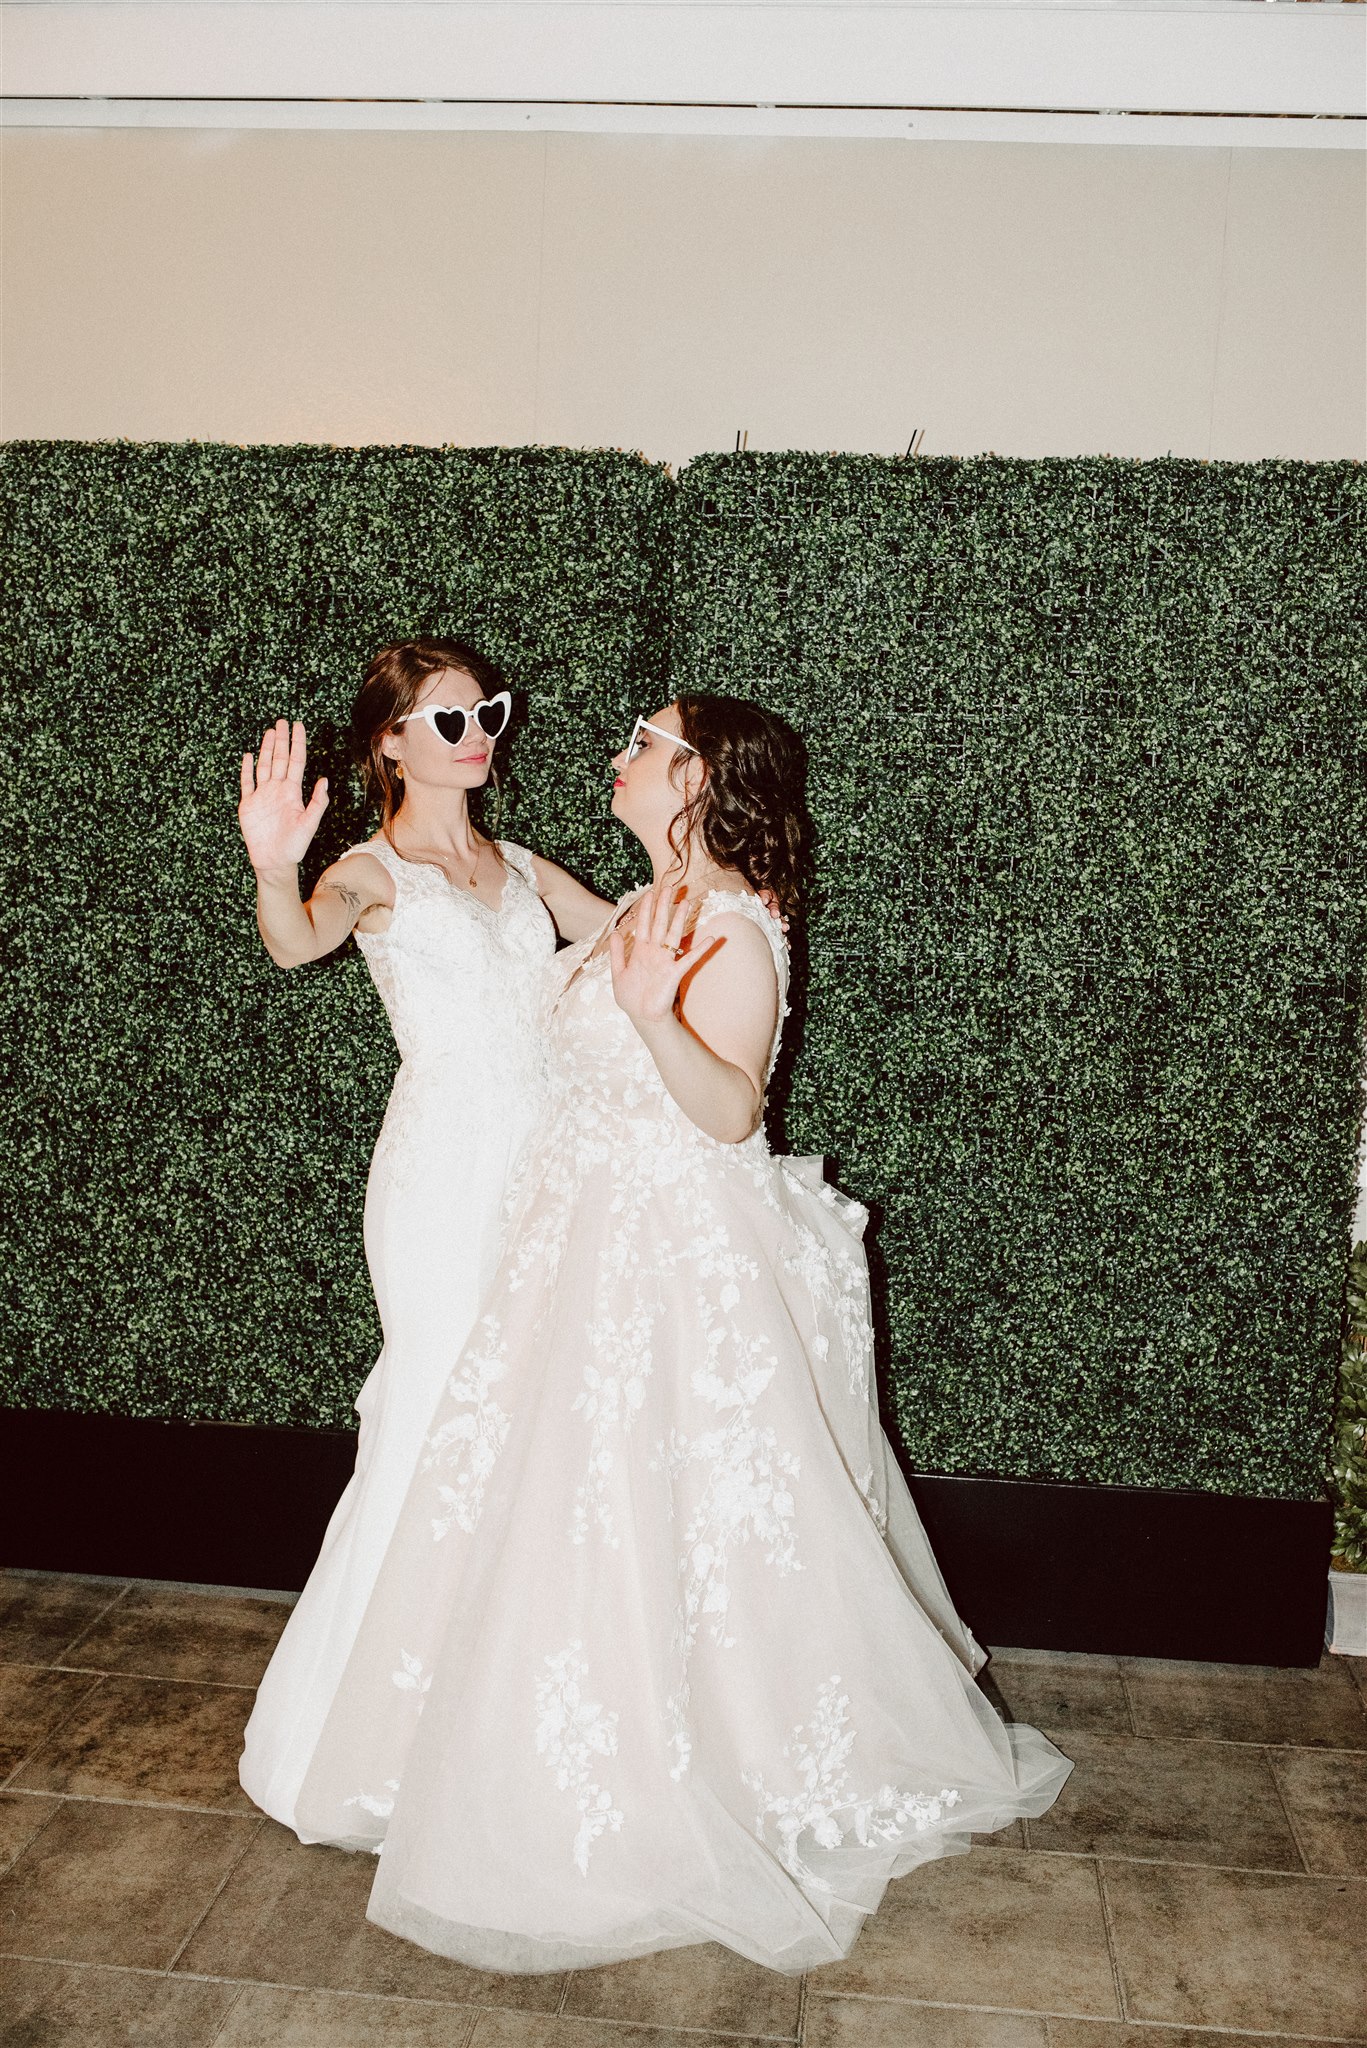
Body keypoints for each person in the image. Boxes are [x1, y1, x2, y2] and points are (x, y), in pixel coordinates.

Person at [290, 691, 1073, 1974]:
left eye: (644, 746)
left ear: (699, 778)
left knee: (666, 1514)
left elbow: (725, 1115)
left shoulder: (735, 929)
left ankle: (694, 1761)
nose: (617, 756)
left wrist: (651, 1014)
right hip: (573, 1242)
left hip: (665, 1258)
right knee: (562, 1512)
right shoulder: (643, 907)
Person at [236, 636, 612, 1833]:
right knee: (438, 1412)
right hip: (443, 1177)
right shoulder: (369, 869)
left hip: (544, 1165)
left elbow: (635, 946)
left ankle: (513, 1713)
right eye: (446, 720)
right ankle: (377, 1735)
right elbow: (299, 939)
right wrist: (273, 868)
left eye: (485, 711)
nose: (476, 733)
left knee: (532, 1422)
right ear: (390, 743)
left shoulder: (520, 864)